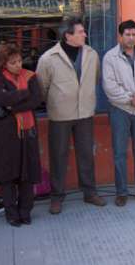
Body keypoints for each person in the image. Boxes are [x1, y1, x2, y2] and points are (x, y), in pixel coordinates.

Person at [36, 17, 107, 214]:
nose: (85, 34)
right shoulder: (48, 58)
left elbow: (95, 79)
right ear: (68, 35)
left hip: (85, 112)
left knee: (86, 154)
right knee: (58, 156)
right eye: (81, 32)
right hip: (60, 115)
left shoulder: (92, 54)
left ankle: (90, 192)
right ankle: (57, 196)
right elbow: (42, 87)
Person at [0, 43, 42, 227]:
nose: (18, 65)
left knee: (27, 173)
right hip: (5, 134)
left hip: (28, 131)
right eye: (13, 62)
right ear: (4, 63)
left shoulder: (30, 76)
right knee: (8, 174)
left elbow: (36, 100)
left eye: (19, 60)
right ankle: (11, 214)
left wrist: (13, 104)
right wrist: (23, 94)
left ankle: (25, 212)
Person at [102, 20, 135, 208]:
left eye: (134, 34)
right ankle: (121, 192)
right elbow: (109, 86)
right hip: (120, 110)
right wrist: (129, 98)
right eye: (127, 34)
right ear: (120, 36)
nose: (131, 38)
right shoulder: (110, 57)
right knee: (119, 153)